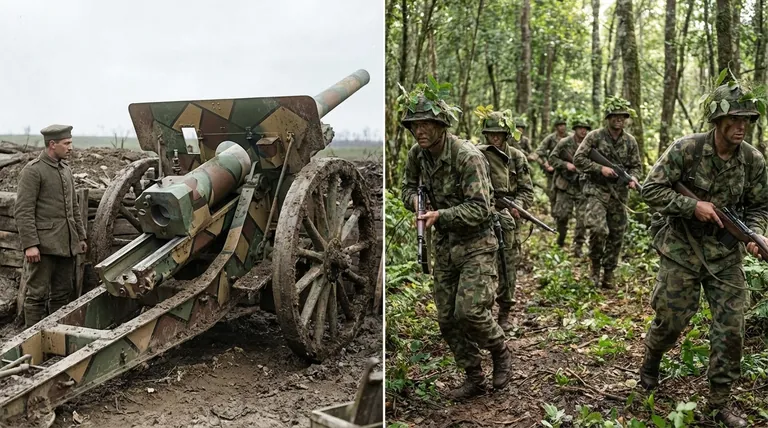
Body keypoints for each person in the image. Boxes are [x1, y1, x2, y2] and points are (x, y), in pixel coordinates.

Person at [640, 83, 768, 427]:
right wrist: (690, 205)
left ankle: (720, 401)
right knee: (671, 321)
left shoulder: (752, 159)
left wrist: (753, 235)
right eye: (734, 119)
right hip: (681, 249)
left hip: (725, 255)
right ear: (717, 119)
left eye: (747, 120)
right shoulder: (687, 149)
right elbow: (649, 189)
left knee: (731, 328)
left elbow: (759, 206)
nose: (741, 126)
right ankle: (652, 356)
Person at [400, 90, 512, 400]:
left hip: (477, 242)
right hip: (445, 246)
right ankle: (474, 376)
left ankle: (500, 351)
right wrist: (416, 203)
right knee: (447, 320)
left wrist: (441, 214)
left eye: (426, 124)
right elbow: (406, 188)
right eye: (414, 126)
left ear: (441, 125)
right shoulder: (416, 156)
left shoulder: (467, 156)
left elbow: (482, 208)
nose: (419, 131)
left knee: (470, 311)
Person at [14, 124, 87, 327]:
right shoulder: (33, 171)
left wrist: (80, 237)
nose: (70, 147)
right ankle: (32, 342)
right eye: (66, 143)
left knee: (62, 295)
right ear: (52, 144)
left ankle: (56, 340)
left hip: (66, 246)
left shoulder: (66, 171)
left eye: (70, 142)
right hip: (42, 247)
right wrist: (30, 244)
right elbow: (23, 210)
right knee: (36, 295)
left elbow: (73, 207)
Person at [573, 97, 641, 288]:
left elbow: (636, 166)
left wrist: (634, 178)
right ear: (608, 117)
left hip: (619, 195)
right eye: (615, 116)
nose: (619, 119)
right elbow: (579, 159)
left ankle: (608, 273)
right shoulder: (594, 136)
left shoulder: (630, 141)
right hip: (597, 190)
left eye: (622, 116)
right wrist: (599, 169)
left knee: (617, 235)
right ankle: (594, 267)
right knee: (598, 229)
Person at [476, 111, 534, 331]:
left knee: (508, 265)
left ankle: (505, 312)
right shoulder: (477, 154)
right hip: (484, 215)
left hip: (509, 217)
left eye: (499, 134)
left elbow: (527, 190)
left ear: (506, 135)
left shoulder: (518, 157)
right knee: (484, 265)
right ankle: (484, 312)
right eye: (491, 134)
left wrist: (518, 206)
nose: (495, 139)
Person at [548, 115, 590, 255]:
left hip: (582, 186)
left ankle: (578, 247)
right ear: (575, 129)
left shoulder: (591, 144)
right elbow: (552, 159)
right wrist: (566, 165)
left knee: (582, 218)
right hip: (565, 185)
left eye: (586, 129)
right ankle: (560, 241)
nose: (583, 131)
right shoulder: (564, 142)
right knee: (562, 216)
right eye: (581, 128)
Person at [535, 117, 569, 211]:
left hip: (567, 170)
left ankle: (565, 215)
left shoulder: (570, 137)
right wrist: (545, 163)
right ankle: (555, 214)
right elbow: (539, 151)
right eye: (560, 125)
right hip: (552, 171)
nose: (562, 127)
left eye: (563, 125)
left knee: (568, 193)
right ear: (556, 127)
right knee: (553, 193)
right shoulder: (550, 138)